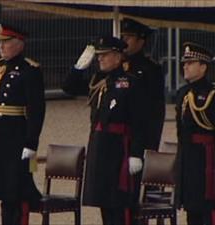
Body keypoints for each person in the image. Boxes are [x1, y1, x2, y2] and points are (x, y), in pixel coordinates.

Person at [63, 36, 148, 225]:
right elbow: (69, 88)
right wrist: (78, 68)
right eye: (98, 55)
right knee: (104, 204)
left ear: (118, 57)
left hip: (119, 149)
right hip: (100, 146)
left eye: (105, 55)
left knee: (119, 206)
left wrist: (136, 153)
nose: (99, 59)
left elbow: (140, 121)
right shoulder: (98, 80)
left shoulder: (130, 83)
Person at [0, 23, 46, 225]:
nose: (1, 47)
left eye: (6, 42)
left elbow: (36, 110)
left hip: (17, 137)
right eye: (0, 42)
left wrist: (31, 143)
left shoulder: (29, 70)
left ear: (19, 43)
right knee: (3, 191)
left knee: (17, 191)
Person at [174, 42, 215, 225]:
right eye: (184, 63)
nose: (185, 66)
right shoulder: (183, 92)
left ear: (203, 66)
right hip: (188, 156)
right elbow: (180, 130)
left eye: (190, 63)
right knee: (191, 207)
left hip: (206, 158)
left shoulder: (214, 95)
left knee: (206, 209)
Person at [121, 18, 165, 152]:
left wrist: (149, 146)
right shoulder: (116, 66)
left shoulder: (150, 70)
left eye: (129, 37)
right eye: (123, 36)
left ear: (141, 40)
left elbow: (154, 112)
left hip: (138, 138)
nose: (124, 41)